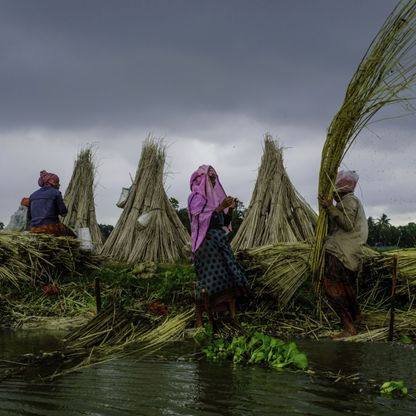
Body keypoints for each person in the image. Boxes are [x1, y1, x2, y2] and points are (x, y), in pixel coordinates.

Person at [188, 165, 248, 327]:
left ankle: (232, 315)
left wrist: (230, 210)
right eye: (211, 178)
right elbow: (200, 221)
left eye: (215, 178)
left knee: (227, 276)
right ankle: (201, 318)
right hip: (206, 246)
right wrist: (220, 207)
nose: (214, 181)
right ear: (202, 180)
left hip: (220, 242)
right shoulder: (196, 198)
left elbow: (223, 223)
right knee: (208, 281)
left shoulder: (214, 200)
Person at [319, 170, 368, 338]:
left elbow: (346, 224)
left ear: (342, 189)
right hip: (348, 253)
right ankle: (356, 318)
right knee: (346, 287)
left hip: (342, 253)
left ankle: (349, 328)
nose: (333, 193)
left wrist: (329, 208)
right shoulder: (350, 201)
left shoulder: (349, 201)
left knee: (332, 287)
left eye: (335, 189)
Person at [28, 170, 75, 237]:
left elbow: (29, 217)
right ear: (52, 182)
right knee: (72, 235)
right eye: (57, 182)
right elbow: (63, 212)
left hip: (34, 229)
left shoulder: (32, 196)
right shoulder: (56, 193)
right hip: (51, 229)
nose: (58, 185)